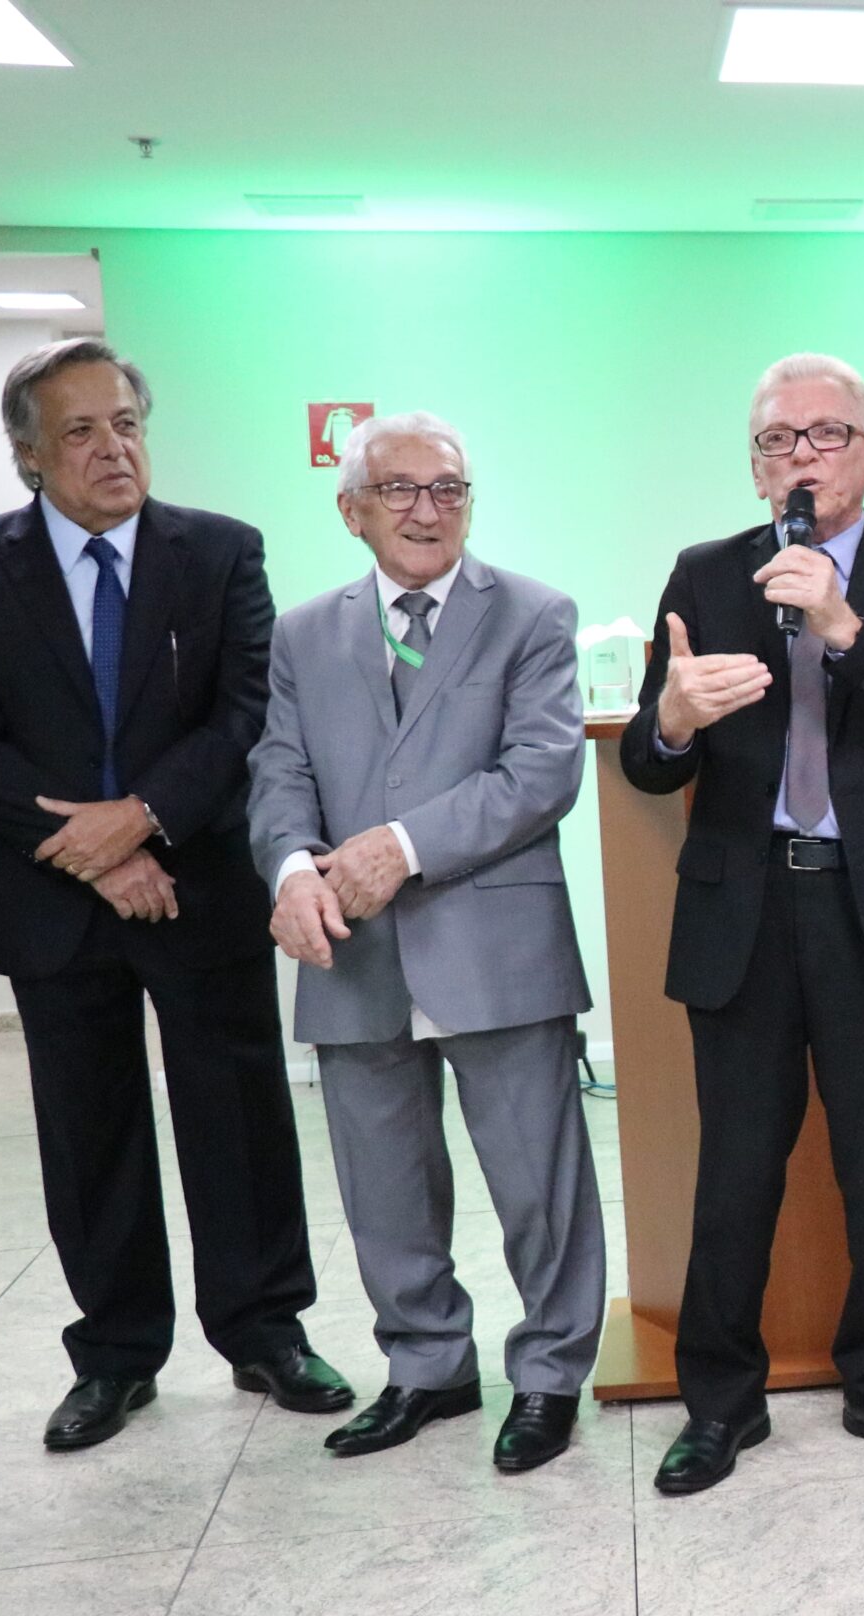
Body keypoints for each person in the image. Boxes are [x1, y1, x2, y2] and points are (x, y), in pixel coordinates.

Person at [0, 339, 350, 1450]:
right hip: (48, 896)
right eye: (80, 430)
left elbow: (244, 714)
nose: (112, 447)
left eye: (126, 422)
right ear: (31, 455)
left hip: (197, 884)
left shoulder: (219, 551)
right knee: (88, 1130)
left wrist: (142, 820)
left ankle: (265, 1329)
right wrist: (91, 847)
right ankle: (117, 1353)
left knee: (235, 1113)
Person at [622, 354, 864, 1492]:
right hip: (748, 907)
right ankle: (719, 1400)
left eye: (827, 435)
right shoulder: (704, 571)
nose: (802, 457)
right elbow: (642, 758)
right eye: (779, 440)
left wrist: (843, 626)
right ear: (754, 464)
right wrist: (671, 720)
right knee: (736, 1167)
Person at [248, 411, 604, 1472]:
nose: (425, 509)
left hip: (496, 944)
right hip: (349, 950)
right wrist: (290, 868)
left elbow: (543, 771)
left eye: (447, 488)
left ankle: (548, 1373)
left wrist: (400, 845)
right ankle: (427, 1364)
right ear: (350, 507)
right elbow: (278, 772)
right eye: (398, 489)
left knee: (537, 1180)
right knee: (382, 1183)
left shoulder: (533, 614)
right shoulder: (305, 632)